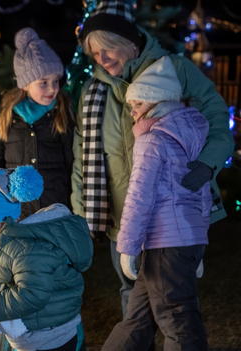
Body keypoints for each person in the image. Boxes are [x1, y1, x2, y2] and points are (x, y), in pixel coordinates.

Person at [72, 0, 233, 321]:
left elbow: (216, 118)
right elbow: (82, 154)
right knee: (133, 302)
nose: (101, 60)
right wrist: (81, 214)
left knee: (177, 302)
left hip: (173, 218)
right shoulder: (92, 90)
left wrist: (207, 163)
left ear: (129, 42)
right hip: (124, 218)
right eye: (94, 54)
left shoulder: (175, 71)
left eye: (107, 49)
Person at [101, 56, 211, 350]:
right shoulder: (192, 135)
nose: (133, 112)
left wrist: (127, 247)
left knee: (179, 323)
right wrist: (200, 238)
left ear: (155, 101)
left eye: (137, 105)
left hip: (166, 245)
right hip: (185, 242)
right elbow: (203, 188)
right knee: (138, 320)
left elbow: (139, 196)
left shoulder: (152, 140)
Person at [0, 165, 93, 351]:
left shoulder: (20, 248)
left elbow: (34, 293)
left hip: (48, 339)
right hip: (45, 333)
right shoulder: (12, 243)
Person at [0, 27, 75, 220]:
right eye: (43, 82)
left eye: (55, 81)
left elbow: (73, 164)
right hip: (19, 213)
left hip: (54, 210)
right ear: (26, 84)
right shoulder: (9, 119)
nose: (52, 89)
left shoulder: (60, 116)